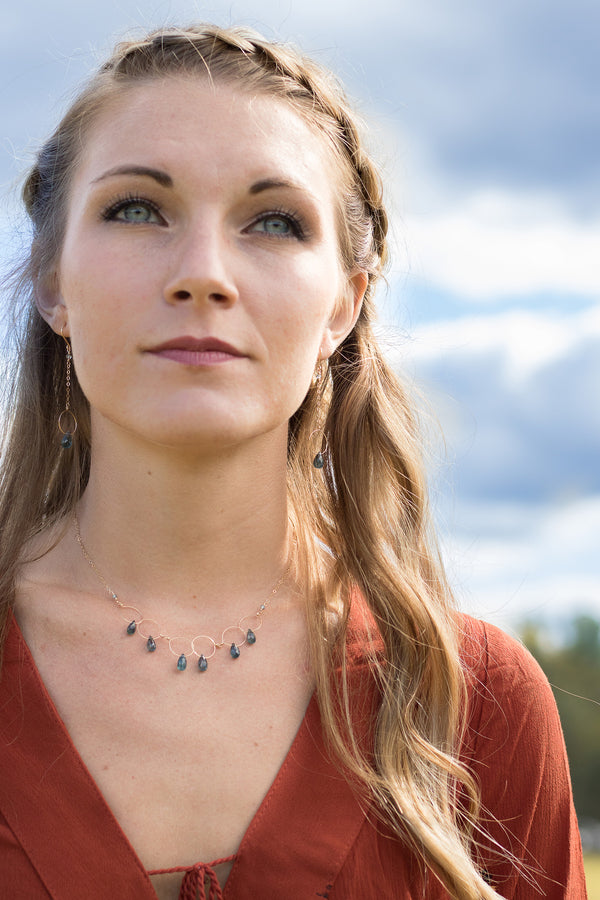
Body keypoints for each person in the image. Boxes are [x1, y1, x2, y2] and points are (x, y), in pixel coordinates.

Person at [0, 24, 586, 900]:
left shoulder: (477, 705)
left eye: (273, 222)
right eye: (136, 208)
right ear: (51, 281)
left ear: (344, 308)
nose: (203, 274)